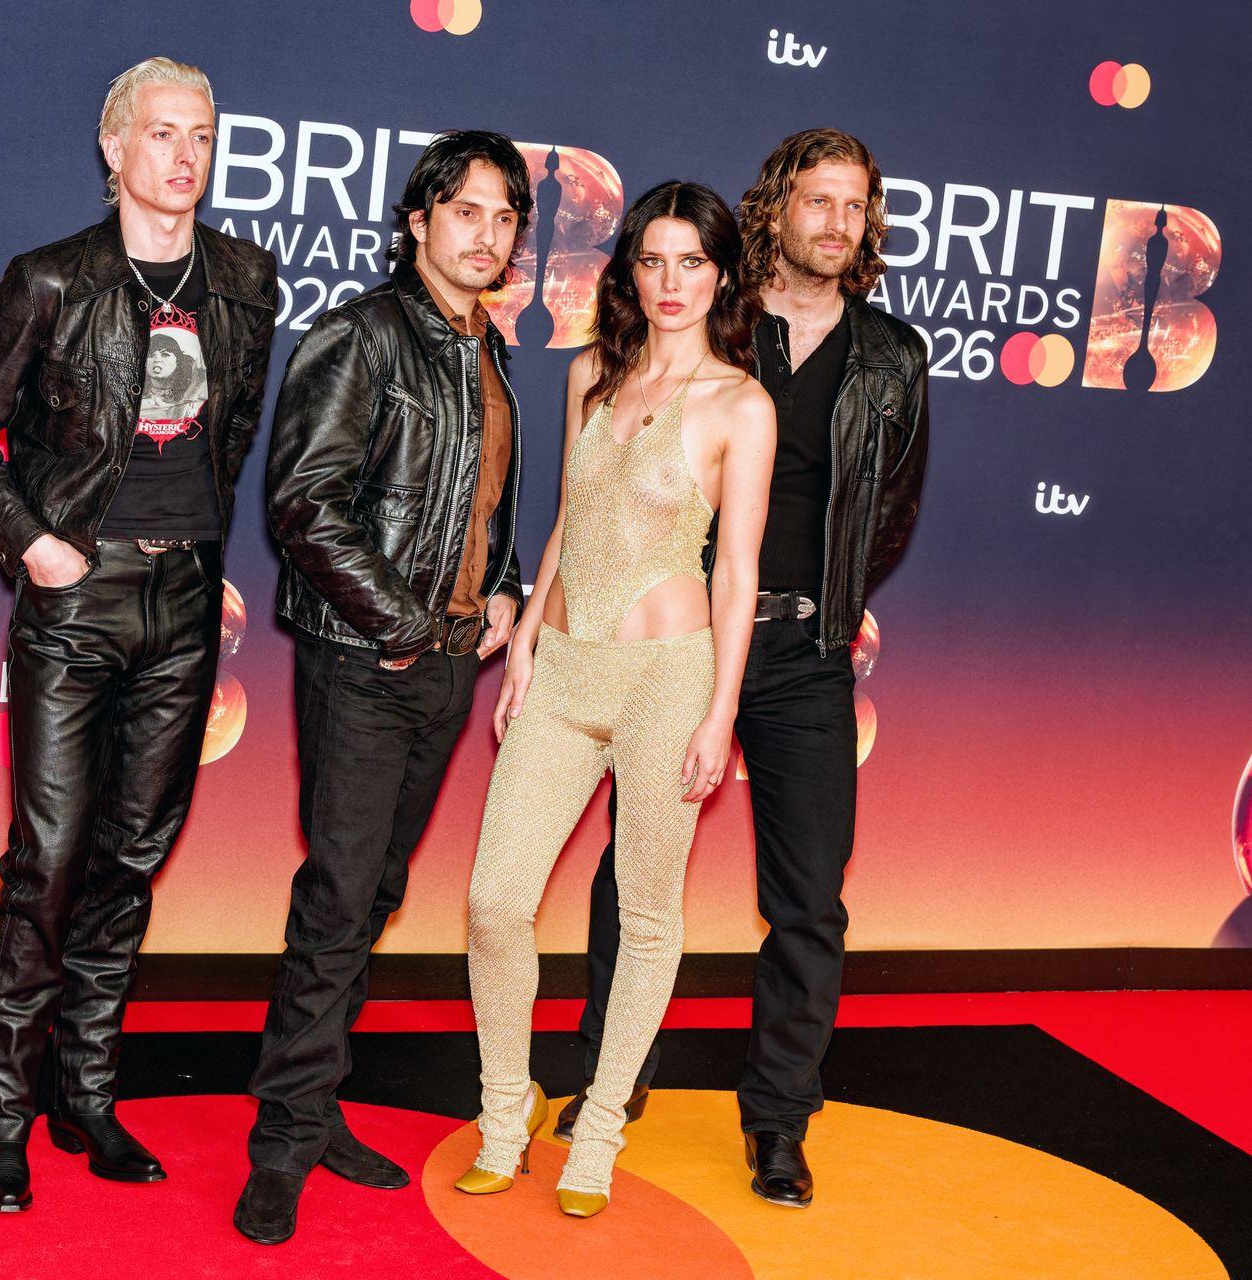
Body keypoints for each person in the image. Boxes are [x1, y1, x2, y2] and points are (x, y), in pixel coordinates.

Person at [0, 56, 276, 1212]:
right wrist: (35, 543)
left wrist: (194, 553)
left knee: (132, 857)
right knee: (49, 860)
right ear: (114, 148)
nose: (186, 155)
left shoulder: (245, 282)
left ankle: (85, 1093)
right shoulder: (52, 279)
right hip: (79, 600)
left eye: (203, 135)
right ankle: (2, 1118)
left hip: (186, 603)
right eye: (162, 132)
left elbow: (229, 440)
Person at [560, 129, 930, 1209]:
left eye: (854, 205)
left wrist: (823, 600)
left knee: (809, 899)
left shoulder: (892, 357)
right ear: (775, 208)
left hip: (805, 655)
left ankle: (778, 1120)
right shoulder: (713, 321)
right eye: (817, 200)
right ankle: (611, 1080)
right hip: (679, 645)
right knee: (635, 873)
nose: (836, 222)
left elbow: (890, 512)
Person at [236, 130, 531, 1245]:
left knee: (374, 895)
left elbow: (485, 507)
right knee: (338, 895)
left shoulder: (490, 352)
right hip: (366, 660)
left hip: (447, 666)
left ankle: (314, 1110)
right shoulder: (361, 335)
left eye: (504, 216)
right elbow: (303, 504)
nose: (486, 234)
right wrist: (403, 625)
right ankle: (280, 1144)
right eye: (465, 210)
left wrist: (503, 591)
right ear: (418, 221)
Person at [459, 181, 776, 1218]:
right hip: (563, 669)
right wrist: (525, 648)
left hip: (667, 681)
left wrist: (720, 710)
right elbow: (569, 515)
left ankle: (597, 1127)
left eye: (693, 261)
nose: (671, 282)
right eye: (653, 260)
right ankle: (505, 1111)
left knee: (646, 915)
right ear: (629, 271)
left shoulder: (741, 405)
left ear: (721, 274)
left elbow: (737, 572)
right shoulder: (591, 373)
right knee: (495, 901)